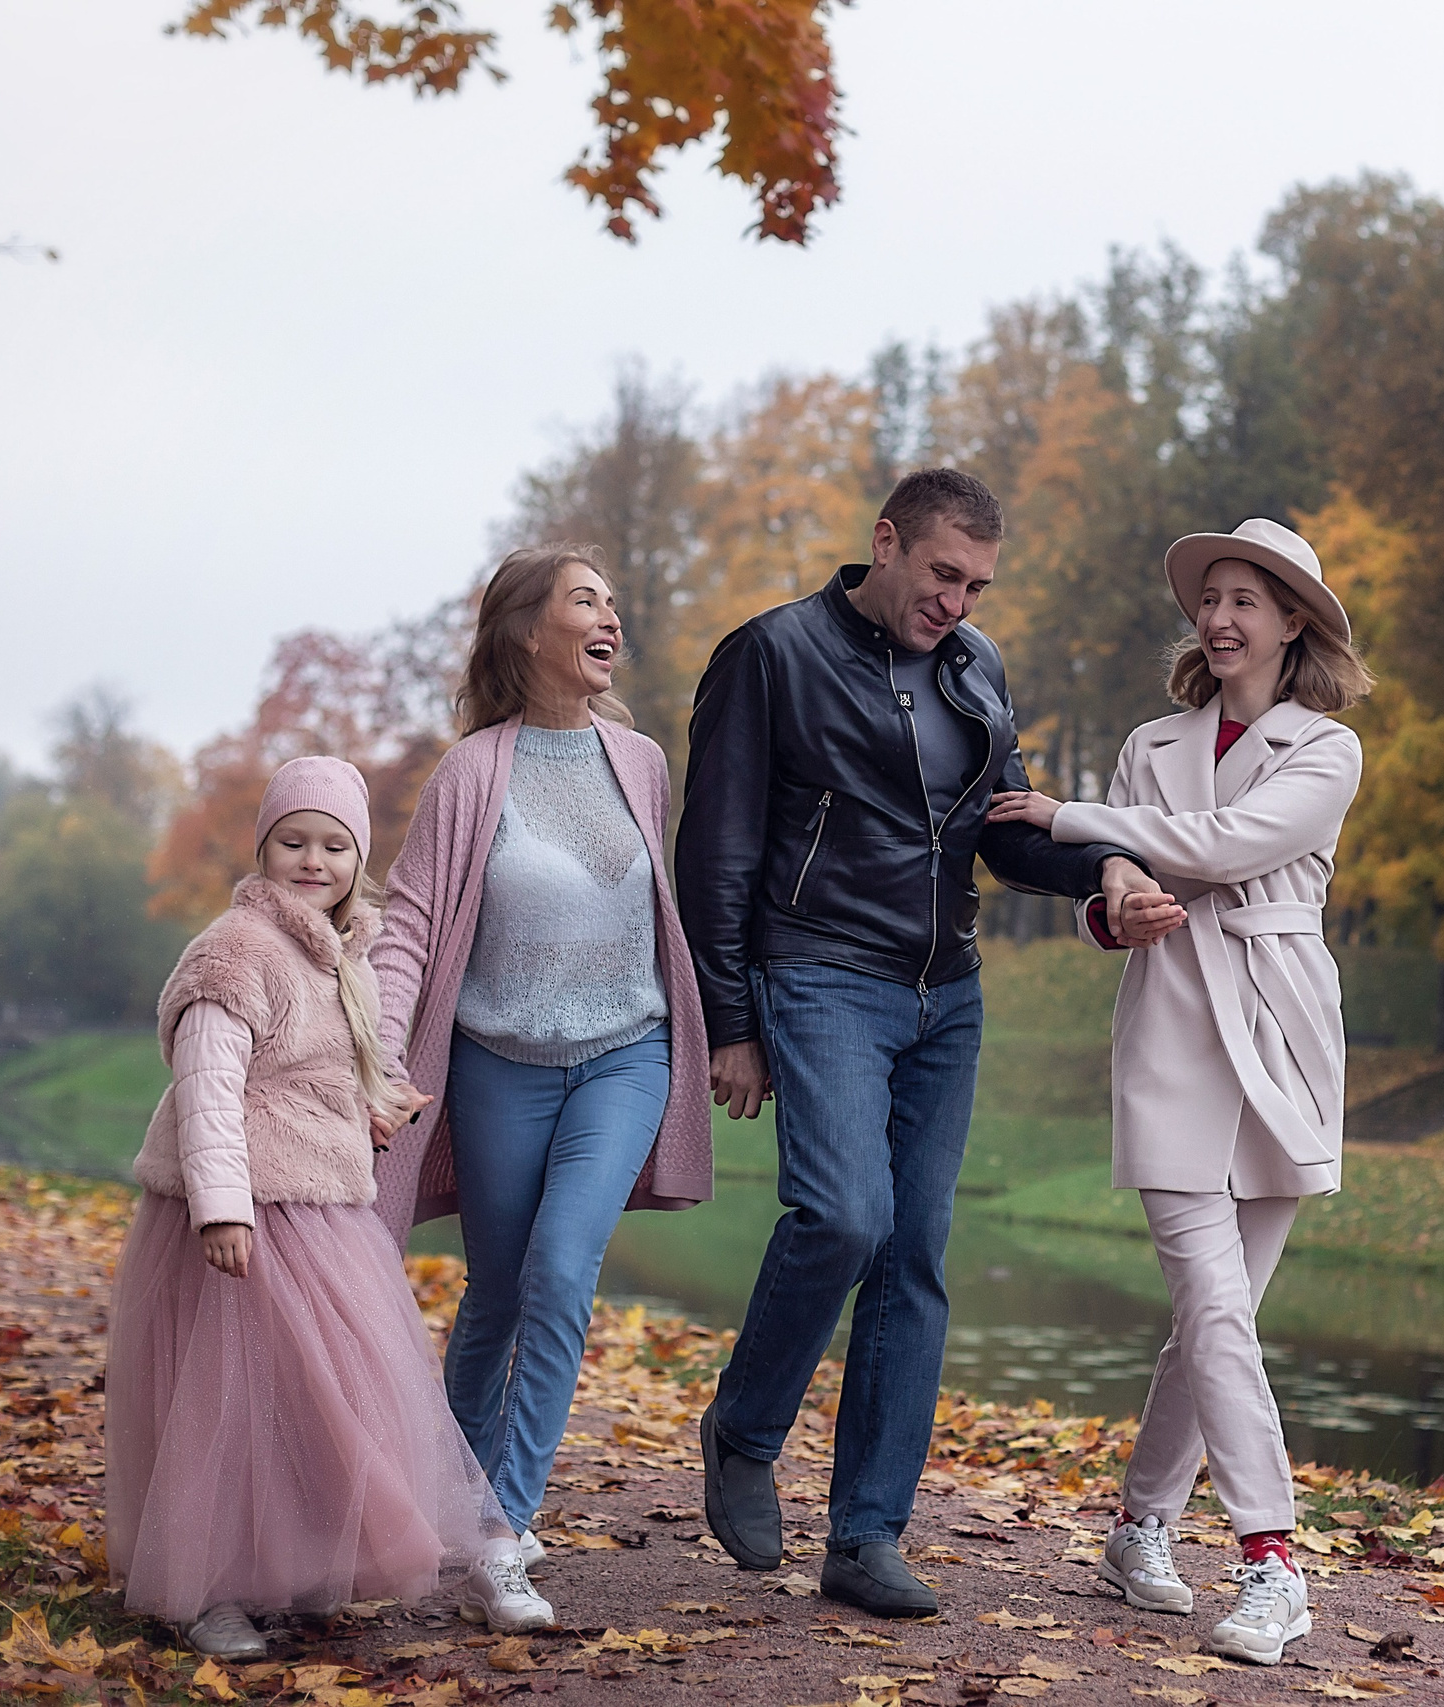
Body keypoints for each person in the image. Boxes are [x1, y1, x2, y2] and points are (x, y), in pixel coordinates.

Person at [677, 468, 1182, 1617]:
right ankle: (746, 1428)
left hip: (945, 994)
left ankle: (864, 1537)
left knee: (914, 1257)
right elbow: (713, 855)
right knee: (843, 1214)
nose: (957, 602)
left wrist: (1101, 862)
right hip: (818, 973)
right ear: (886, 543)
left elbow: (1004, 832)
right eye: (943, 575)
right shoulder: (771, 654)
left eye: (977, 584)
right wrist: (732, 1023)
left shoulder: (974, 667)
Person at [986, 517, 1371, 1666]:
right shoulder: (1152, 745)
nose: (1220, 616)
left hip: (1282, 1039)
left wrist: (1064, 816)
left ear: (1293, 619)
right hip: (1168, 1034)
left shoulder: (1326, 749)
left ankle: (1139, 1526)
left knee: (1220, 1319)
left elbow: (1223, 843)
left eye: (1247, 598)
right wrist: (1114, 907)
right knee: (1210, 1304)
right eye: (1210, 596)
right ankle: (1271, 1563)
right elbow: (1123, 891)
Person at [106, 756, 553, 1658]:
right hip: (242, 1213)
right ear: (263, 848)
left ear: (359, 856)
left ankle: (302, 1560)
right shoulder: (236, 950)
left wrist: (377, 1101)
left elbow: (326, 1068)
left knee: (326, 1395)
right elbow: (209, 1082)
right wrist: (220, 1208)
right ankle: (209, 1587)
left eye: (335, 844)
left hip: (326, 1208)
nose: (314, 860)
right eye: (293, 841)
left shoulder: (348, 953)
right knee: (228, 1399)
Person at [369, 544, 714, 1570]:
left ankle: (503, 1522)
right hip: (497, 1064)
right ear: (528, 631)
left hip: (624, 1053)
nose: (610, 619)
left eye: (613, 603)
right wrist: (382, 1054)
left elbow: (662, 911)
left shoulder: (642, 760)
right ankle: (445, 1497)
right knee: (496, 1293)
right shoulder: (472, 773)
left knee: (562, 1271)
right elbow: (410, 925)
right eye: (585, 603)